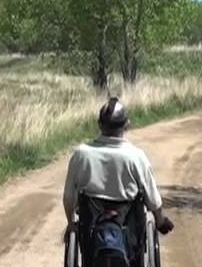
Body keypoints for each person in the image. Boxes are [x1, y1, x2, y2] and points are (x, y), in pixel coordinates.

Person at [62, 97, 175, 238]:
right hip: (129, 232)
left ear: (99, 125)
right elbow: (152, 199)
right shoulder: (136, 156)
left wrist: (71, 223)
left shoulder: (81, 154)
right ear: (127, 125)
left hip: (90, 232)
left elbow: (68, 197)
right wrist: (159, 220)